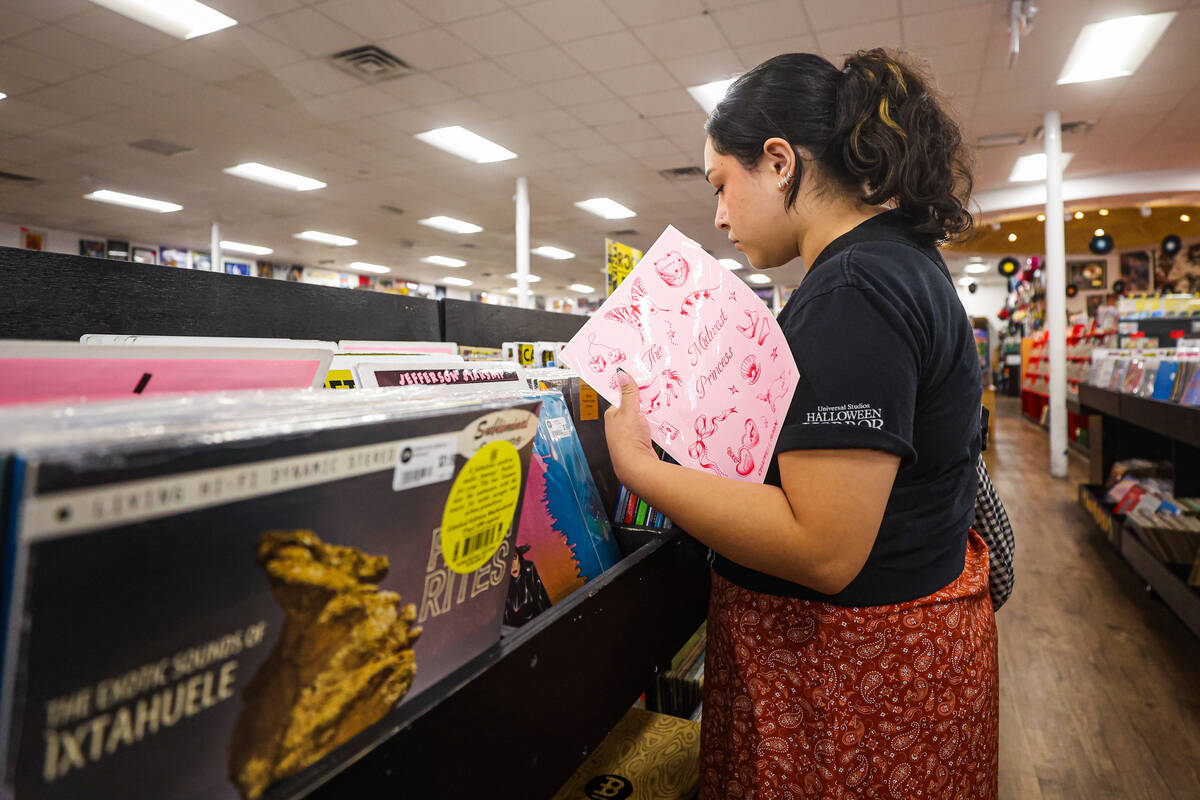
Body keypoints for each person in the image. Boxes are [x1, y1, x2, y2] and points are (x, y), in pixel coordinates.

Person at [603, 49, 996, 799]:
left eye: (723, 184)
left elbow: (824, 547)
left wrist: (642, 467)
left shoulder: (855, 288)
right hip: (896, 671)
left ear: (779, 162)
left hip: (853, 690)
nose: (718, 217)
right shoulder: (895, 263)